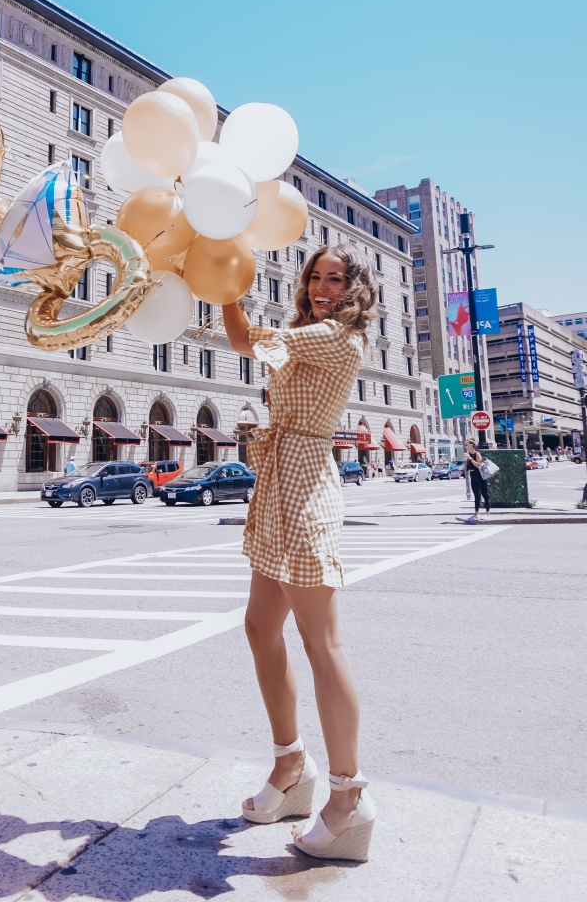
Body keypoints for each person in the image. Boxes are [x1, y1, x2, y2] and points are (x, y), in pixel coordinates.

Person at [223, 245, 378, 863]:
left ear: (353, 288)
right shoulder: (302, 334)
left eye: (334, 278)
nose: (321, 287)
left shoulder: (338, 338)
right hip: (277, 478)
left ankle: (348, 796)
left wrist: (220, 275)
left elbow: (238, 337)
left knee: (322, 641)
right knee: (260, 626)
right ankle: (291, 765)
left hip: (308, 481)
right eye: (314, 277)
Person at [464, 439, 490, 518]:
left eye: (467, 444)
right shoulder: (467, 454)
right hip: (472, 475)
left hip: (479, 475)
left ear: (471, 445)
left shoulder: (477, 453)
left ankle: (488, 514)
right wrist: (466, 461)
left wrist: (470, 458)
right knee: (476, 495)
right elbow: (467, 468)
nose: (465, 446)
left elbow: (478, 465)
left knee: (484, 494)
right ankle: (476, 514)